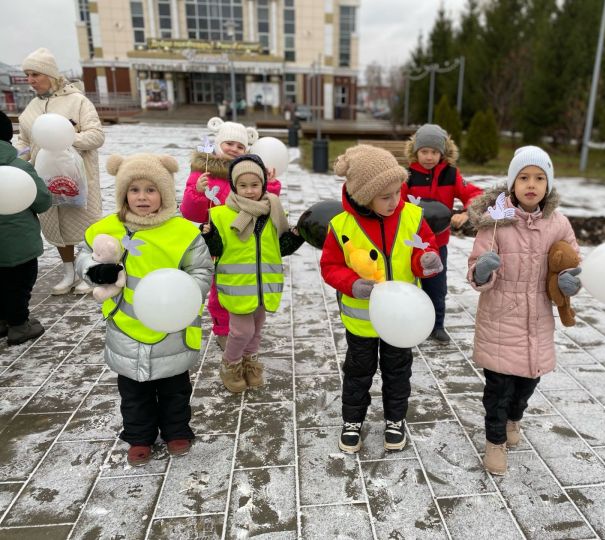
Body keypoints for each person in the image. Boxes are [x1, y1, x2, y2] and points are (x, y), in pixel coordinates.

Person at [76, 153, 213, 467]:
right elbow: (86, 255)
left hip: (172, 329)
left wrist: (187, 294)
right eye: (134, 189)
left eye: (150, 190)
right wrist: (93, 270)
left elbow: (202, 271)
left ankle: (177, 430)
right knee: (133, 392)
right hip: (126, 326)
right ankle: (139, 436)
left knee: (174, 388)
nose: (142, 197)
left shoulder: (182, 232)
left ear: (164, 193)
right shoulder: (107, 228)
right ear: (123, 193)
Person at [466, 146, 582, 476]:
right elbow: (475, 269)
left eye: (539, 177)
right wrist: (483, 271)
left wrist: (569, 282)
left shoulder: (558, 224)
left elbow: (571, 261)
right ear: (512, 184)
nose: (531, 184)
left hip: (537, 322)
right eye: (524, 177)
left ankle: (515, 419)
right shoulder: (496, 223)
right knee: (498, 391)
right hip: (500, 319)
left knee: (526, 385)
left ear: (548, 185)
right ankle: (495, 442)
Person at [320, 145, 443, 454]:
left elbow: (421, 252)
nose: (394, 201)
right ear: (364, 196)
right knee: (358, 373)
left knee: (398, 371)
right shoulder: (342, 227)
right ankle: (352, 421)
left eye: (397, 192)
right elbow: (330, 266)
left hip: (401, 320)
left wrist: (426, 263)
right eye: (385, 196)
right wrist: (351, 283)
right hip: (362, 320)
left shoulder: (413, 217)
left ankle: (395, 419)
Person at [200, 154, 304, 393]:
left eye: (255, 185)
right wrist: (208, 236)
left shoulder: (273, 212)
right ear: (235, 186)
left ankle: (250, 362)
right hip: (237, 285)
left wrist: (297, 236)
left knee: (256, 329)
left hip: (264, 284)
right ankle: (231, 363)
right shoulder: (221, 215)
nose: (249, 191)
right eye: (243, 185)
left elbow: (281, 247)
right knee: (241, 331)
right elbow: (216, 250)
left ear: (263, 185)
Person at [180, 117, 281, 351]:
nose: (234, 149)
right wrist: (197, 192)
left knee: (242, 283)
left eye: (240, 146)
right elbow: (191, 213)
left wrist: (272, 185)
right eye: (229, 143)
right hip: (216, 239)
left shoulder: (247, 174)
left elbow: (265, 201)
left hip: (244, 242)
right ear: (217, 144)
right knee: (220, 288)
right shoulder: (202, 173)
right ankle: (223, 329)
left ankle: (246, 321)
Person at [16, 47, 104, 296]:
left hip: (77, 178)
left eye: (35, 74)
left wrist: (66, 138)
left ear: (50, 74)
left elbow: (96, 135)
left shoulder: (77, 101)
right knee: (56, 227)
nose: (30, 80)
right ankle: (68, 273)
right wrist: (21, 159)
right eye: (27, 75)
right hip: (44, 179)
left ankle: (87, 271)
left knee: (84, 225)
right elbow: (24, 140)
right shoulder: (31, 108)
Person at [403, 124, 483, 343]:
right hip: (409, 243)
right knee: (408, 285)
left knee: (436, 286)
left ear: (443, 153)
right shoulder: (407, 176)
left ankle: (436, 325)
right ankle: (409, 324)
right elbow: (395, 203)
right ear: (416, 151)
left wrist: (467, 210)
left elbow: (475, 193)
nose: (429, 157)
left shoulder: (451, 174)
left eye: (434, 152)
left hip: (437, 244)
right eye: (424, 151)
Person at [0, 111, 52, 345]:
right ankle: (19, 325)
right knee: (19, 285)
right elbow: (42, 201)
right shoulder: (20, 168)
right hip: (20, 244)